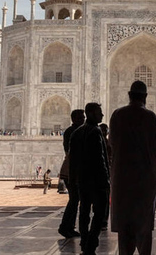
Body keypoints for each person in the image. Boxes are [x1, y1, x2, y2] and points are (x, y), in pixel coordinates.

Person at [109, 80, 156, 255]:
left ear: (129, 95)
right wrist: (147, 152)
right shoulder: (150, 117)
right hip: (144, 175)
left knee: (125, 222)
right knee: (143, 222)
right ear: (146, 97)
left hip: (122, 175)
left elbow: (112, 142)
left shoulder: (117, 115)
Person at [69, 103, 111, 255]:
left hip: (82, 180)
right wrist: (106, 180)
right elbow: (100, 159)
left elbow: (72, 160)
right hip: (97, 180)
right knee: (100, 214)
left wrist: (74, 180)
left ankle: (84, 241)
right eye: (100, 112)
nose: (102, 115)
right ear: (92, 113)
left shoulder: (77, 133)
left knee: (84, 212)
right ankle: (91, 244)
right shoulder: (96, 131)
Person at [58, 108, 85, 238]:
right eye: (80, 118)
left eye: (83, 117)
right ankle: (65, 227)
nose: (83, 120)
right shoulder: (72, 131)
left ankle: (69, 227)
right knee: (74, 199)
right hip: (71, 170)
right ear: (74, 119)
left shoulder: (76, 130)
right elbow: (71, 151)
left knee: (75, 199)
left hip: (74, 170)